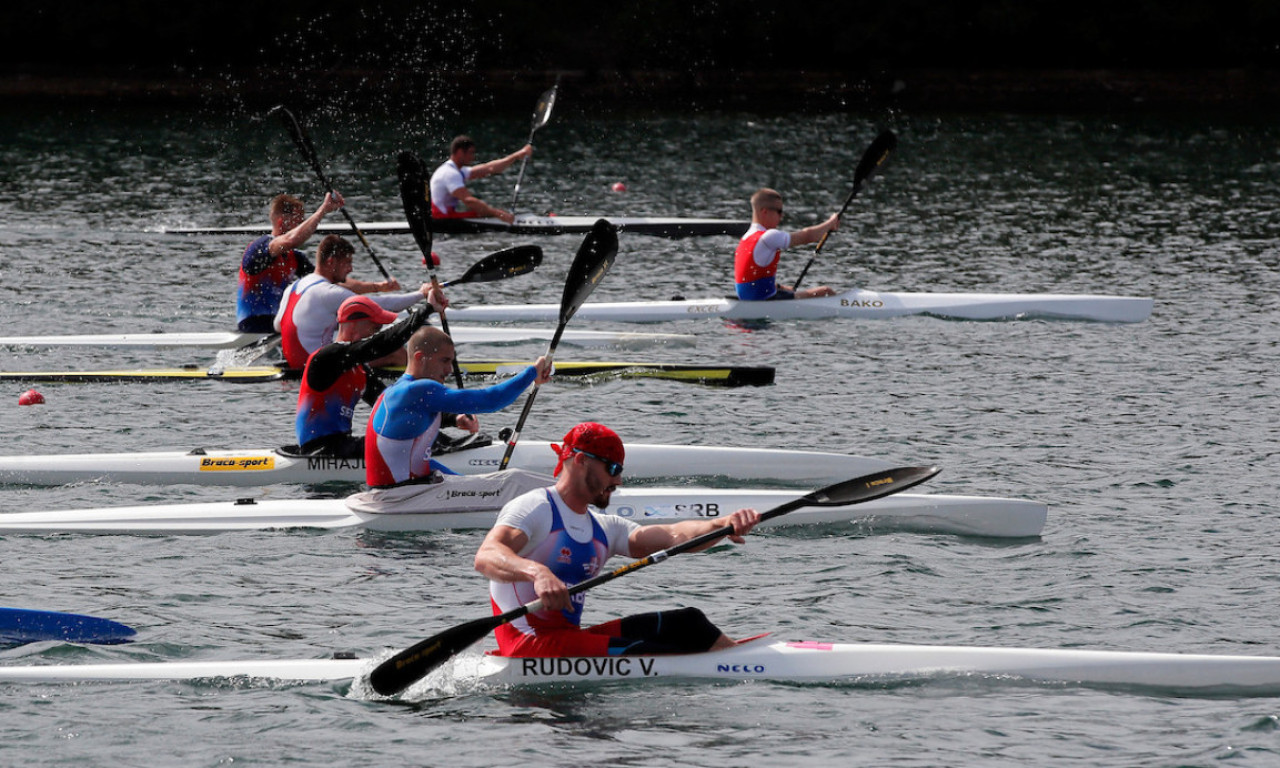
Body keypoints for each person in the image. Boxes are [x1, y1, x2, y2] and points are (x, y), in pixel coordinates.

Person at [474, 422, 763, 658]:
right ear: (580, 461)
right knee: (650, 653)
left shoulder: (604, 528)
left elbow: (674, 536)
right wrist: (538, 573)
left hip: (566, 641)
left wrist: (722, 524)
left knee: (689, 623)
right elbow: (486, 555)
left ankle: (740, 661)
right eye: (612, 468)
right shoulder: (536, 508)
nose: (619, 480)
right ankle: (733, 666)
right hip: (528, 645)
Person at [343, 326, 553, 514]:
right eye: (444, 361)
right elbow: (490, 400)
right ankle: (578, 501)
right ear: (419, 357)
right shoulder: (419, 390)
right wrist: (531, 373)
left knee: (507, 481)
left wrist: (469, 483)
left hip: (405, 492)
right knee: (514, 482)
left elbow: (420, 463)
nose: (449, 370)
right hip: (400, 499)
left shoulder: (397, 391)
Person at [291, 291, 445, 459]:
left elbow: (396, 406)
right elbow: (384, 343)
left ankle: (447, 446)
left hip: (342, 445)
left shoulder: (360, 371)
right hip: (318, 450)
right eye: (375, 328)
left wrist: (451, 418)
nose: (377, 333)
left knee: (417, 433)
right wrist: (427, 308)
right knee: (410, 440)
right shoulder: (327, 358)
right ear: (354, 325)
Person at [274, 234, 433, 369]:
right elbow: (382, 305)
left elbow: (277, 325)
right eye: (347, 263)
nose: (350, 269)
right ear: (331, 262)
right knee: (395, 352)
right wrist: (421, 294)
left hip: (294, 362)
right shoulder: (328, 292)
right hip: (318, 366)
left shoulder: (293, 287)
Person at [236, 193, 339, 332]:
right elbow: (292, 240)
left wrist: (375, 288)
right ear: (281, 221)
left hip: (277, 323)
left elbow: (327, 283)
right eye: (299, 222)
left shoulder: (295, 257)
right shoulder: (260, 248)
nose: (303, 227)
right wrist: (323, 210)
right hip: (253, 324)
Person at [734, 188, 841, 301]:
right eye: (779, 211)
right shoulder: (769, 236)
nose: (782, 216)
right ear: (764, 211)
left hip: (750, 297)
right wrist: (831, 223)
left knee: (792, 291)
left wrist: (781, 288)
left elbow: (752, 280)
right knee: (826, 292)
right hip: (763, 299)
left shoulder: (746, 237)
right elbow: (807, 236)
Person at [430, 135, 533, 224]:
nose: (473, 157)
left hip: (446, 215)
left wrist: (517, 155)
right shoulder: (449, 173)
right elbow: (468, 201)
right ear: (460, 152)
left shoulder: (457, 170)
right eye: (471, 153)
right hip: (441, 218)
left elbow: (490, 168)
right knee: (482, 212)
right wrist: (498, 214)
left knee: (483, 212)